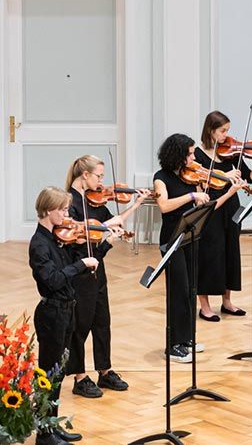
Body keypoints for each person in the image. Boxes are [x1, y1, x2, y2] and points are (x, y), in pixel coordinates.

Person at [64, 155, 151, 398]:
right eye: (98, 176)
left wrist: (136, 204)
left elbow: (114, 222)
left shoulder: (95, 201)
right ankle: (80, 377)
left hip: (97, 267)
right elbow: (78, 235)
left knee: (102, 321)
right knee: (80, 325)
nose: (102, 182)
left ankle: (104, 370)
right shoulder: (70, 202)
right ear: (84, 175)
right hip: (78, 267)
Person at [154, 133, 240, 362]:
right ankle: (172, 345)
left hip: (191, 237)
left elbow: (209, 204)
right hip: (172, 239)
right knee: (178, 291)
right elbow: (163, 206)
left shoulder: (191, 176)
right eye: (190, 153)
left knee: (190, 289)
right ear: (178, 155)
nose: (194, 157)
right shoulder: (161, 178)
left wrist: (225, 192)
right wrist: (191, 195)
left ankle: (186, 339)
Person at [29, 186, 99, 445]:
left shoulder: (57, 238)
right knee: (47, 375)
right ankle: (44, 435)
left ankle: (53, 426)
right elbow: (53, 279)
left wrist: (95, 249)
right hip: (51, 313)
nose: (67, 214)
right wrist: (80, 264)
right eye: (63, 209)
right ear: (48, 211)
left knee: (58, 374)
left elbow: (76, 266)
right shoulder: (39, 244)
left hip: (66, 310)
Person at [194, 110, 252, 321]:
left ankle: (227, 301)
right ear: (210, 130)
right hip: (212, 208)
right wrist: (223, 175)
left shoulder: (230, 152)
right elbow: (201, 182)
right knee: (210, 255)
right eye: (222, 131)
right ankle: (204, 306)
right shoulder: (198, 154)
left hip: (231, 206)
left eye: (228, 131)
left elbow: (249, 177)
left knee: (231, 252)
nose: (226, 136)